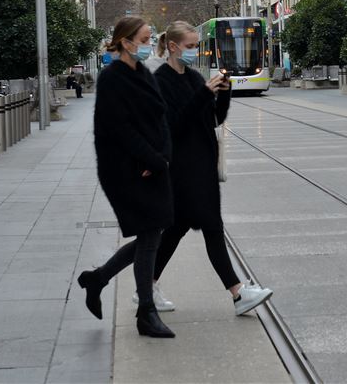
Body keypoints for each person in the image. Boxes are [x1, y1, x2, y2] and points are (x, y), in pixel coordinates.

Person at [152, 21, 273, 316]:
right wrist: (205, 94)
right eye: (191, 46)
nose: (195, 51)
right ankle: (238, 293)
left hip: (203, 164)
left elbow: (214, 119)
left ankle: (146, 285)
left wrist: (225, 93)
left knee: (175, 230)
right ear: (173, 47)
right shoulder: (161, 81)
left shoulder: (194, 77)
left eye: (196, 46)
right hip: (183, 168)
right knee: (212, 227)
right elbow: (173, 126)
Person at [76, 17, 176, 338]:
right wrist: (151, 159)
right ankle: (145, 312)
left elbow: (161, 117)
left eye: (149, 39)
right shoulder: (111, 78)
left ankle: (97, 279)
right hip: (124, 170)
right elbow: (119, 129)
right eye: (144, 39)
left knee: (153, 235)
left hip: (152, 164)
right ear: (125, 41)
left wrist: (162, 156)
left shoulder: (143, 72)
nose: (149, 44)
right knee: (150, 234)